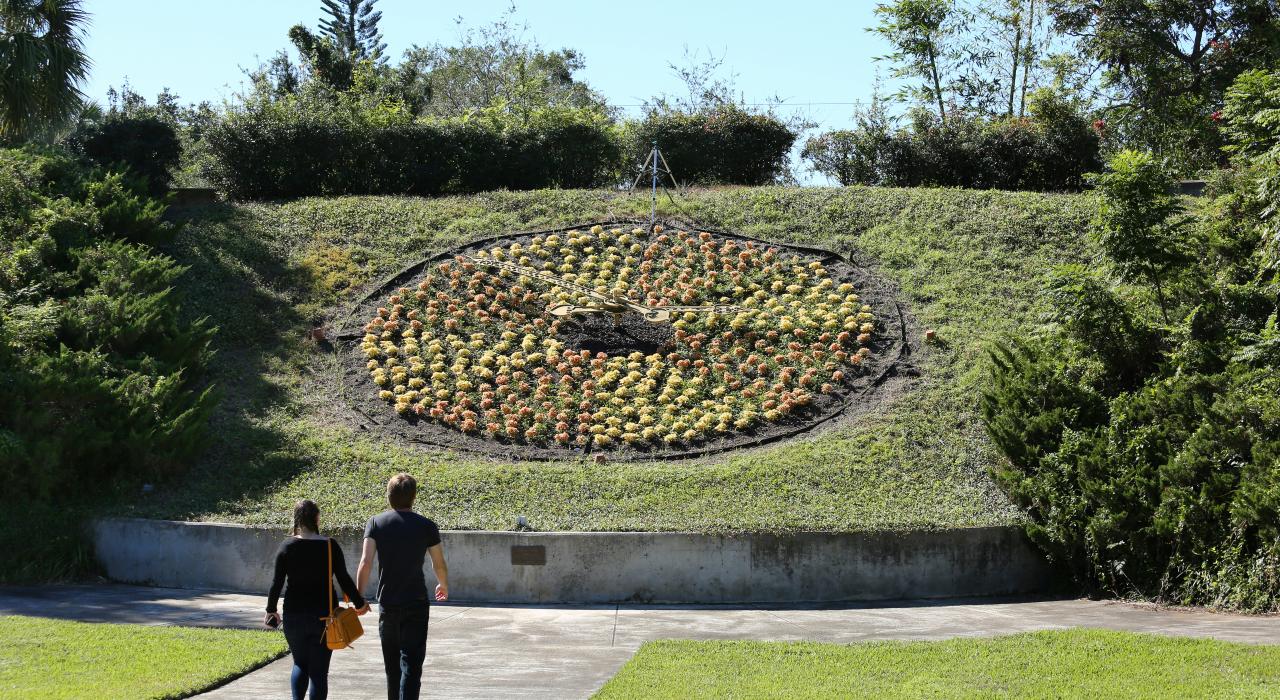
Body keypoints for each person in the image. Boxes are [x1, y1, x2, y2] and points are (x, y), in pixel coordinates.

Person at [356, 473, 449, 700]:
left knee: (392, 668)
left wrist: (359, 597)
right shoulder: (427, 526)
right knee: (412, 667)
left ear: (389, 496)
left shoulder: (376, 523)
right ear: (413, 497)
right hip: (416, 602)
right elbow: (439, 562)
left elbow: (366, 562)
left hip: (388, 603)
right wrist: (443, 584)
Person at [265, 499, 370, 700]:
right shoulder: (329, 546)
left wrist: (271, 610)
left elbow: (276, 583)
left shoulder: (286, 546)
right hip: (324, 618)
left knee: (299, 663)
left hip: (294, 616)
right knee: (319, 672)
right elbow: (344, 579)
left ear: (296, 519)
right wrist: (360, 603)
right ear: (317, 518)